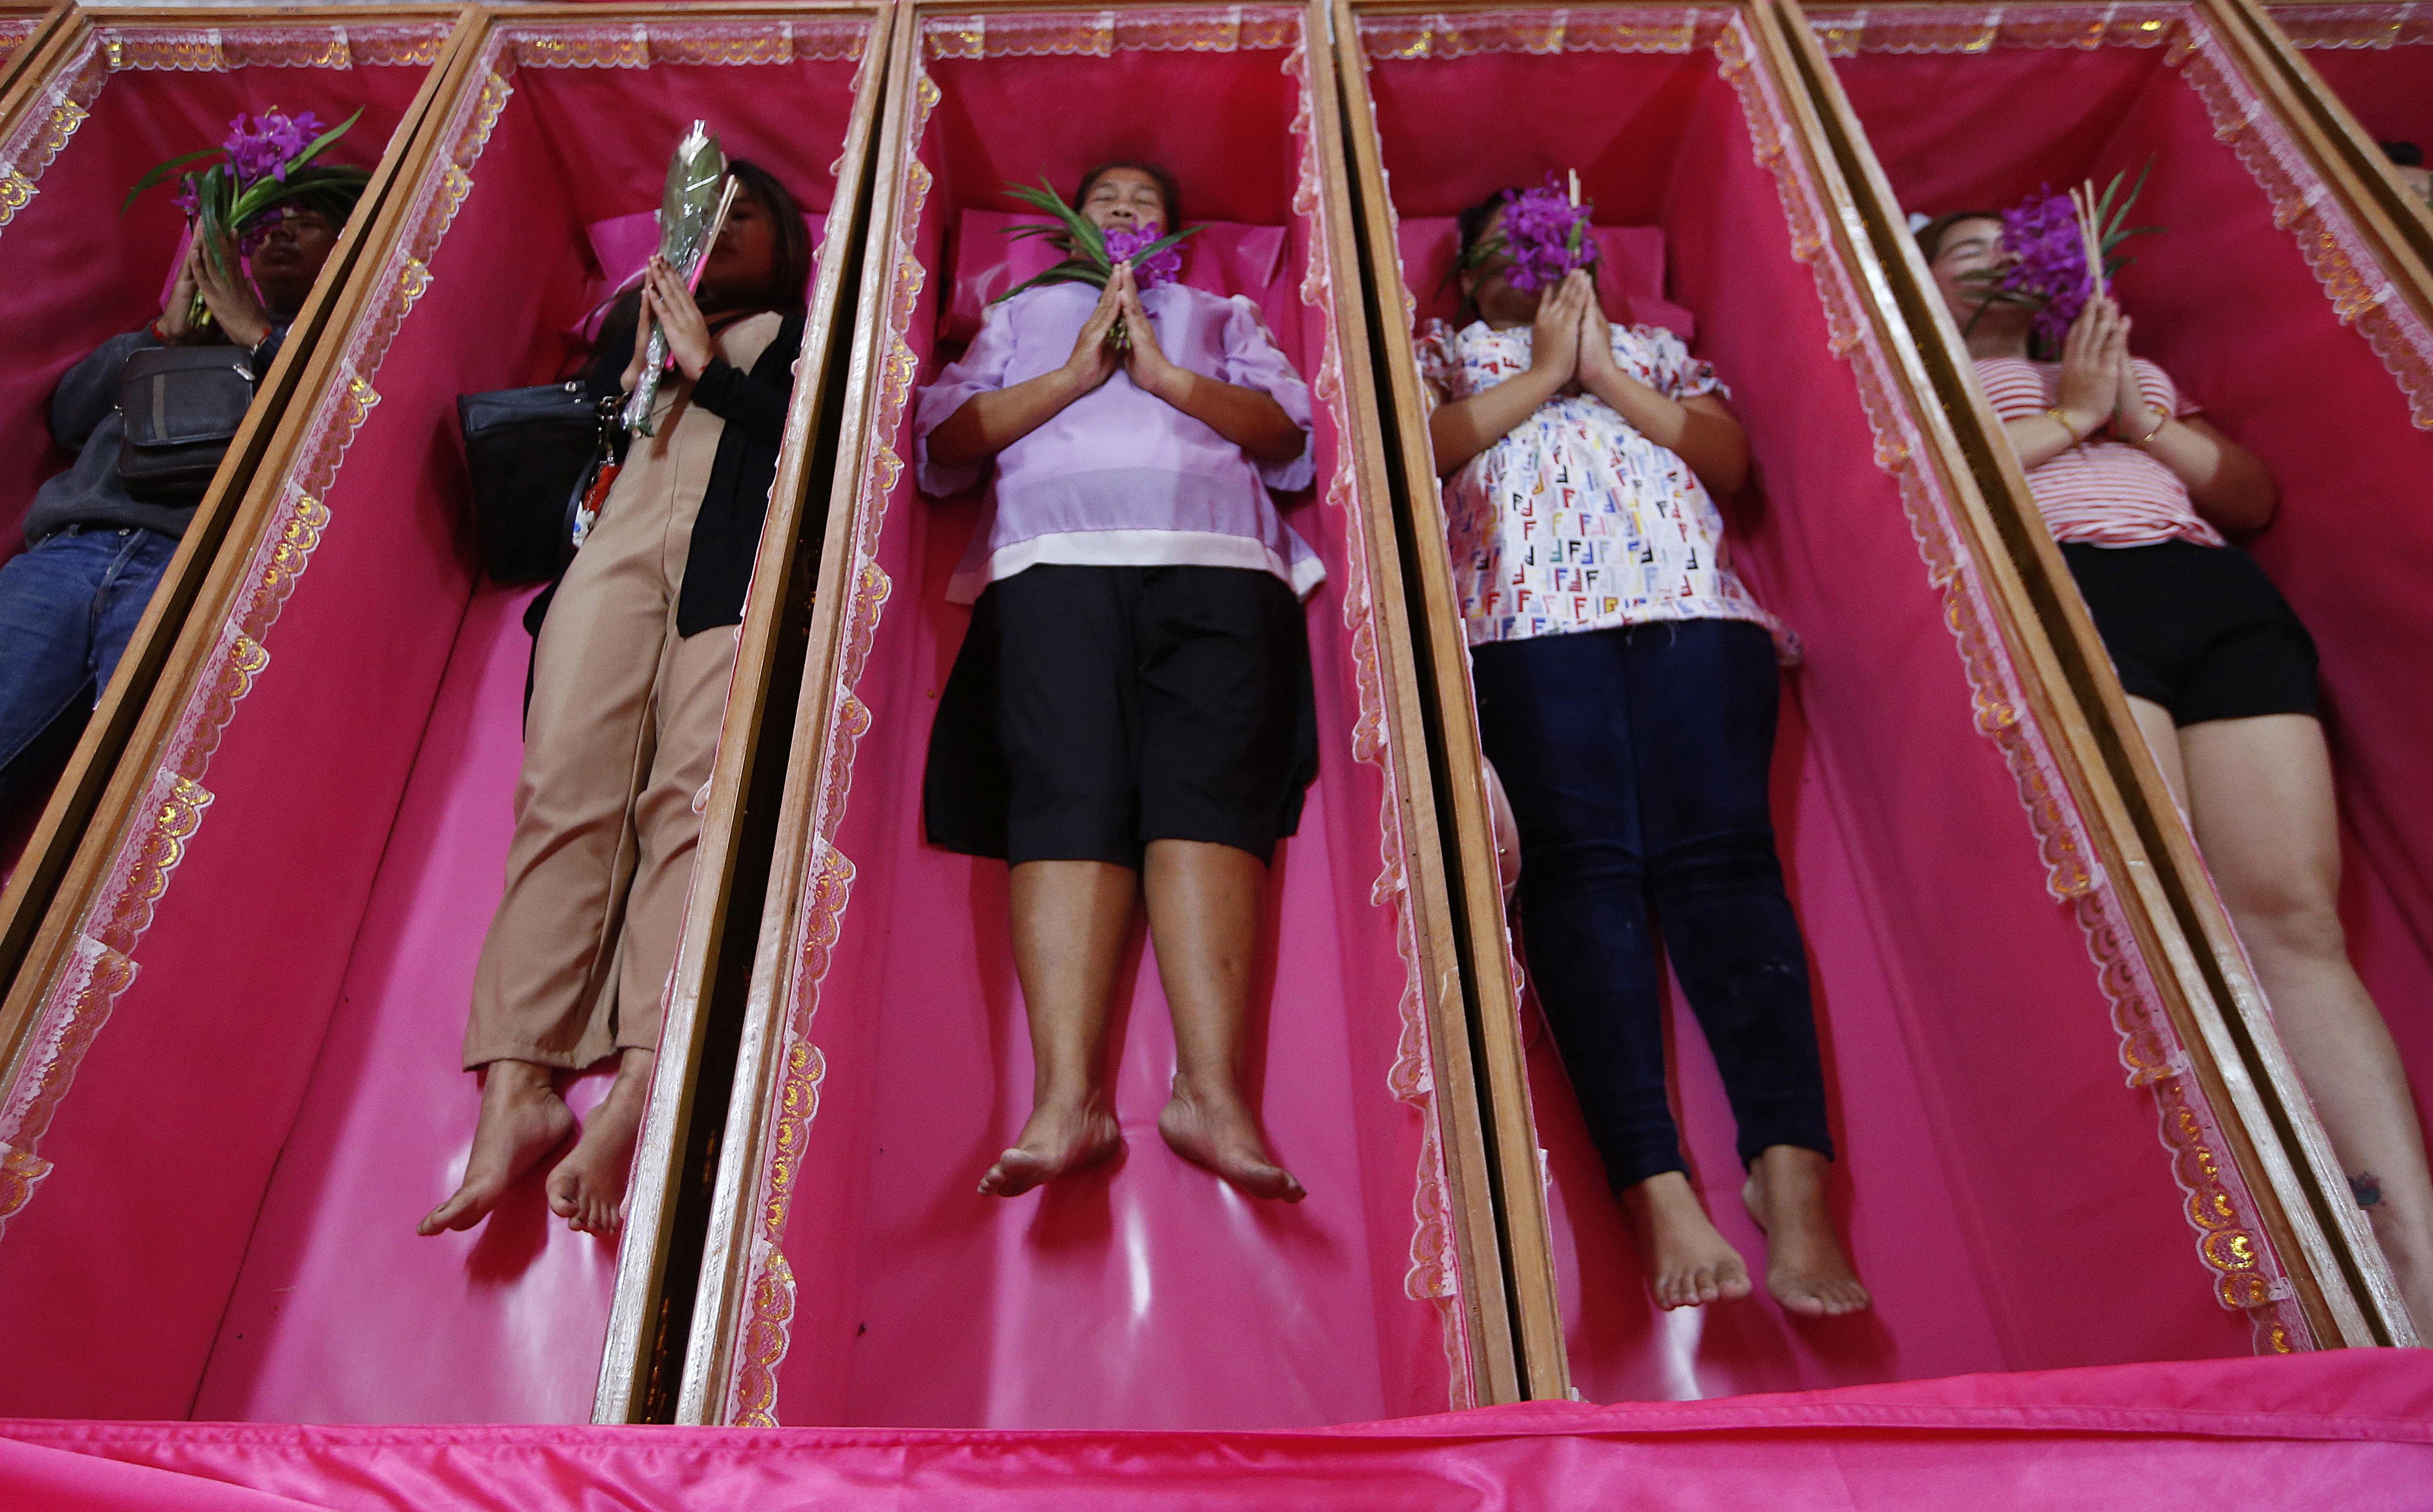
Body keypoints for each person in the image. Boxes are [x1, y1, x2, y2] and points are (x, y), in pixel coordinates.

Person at [1921, 210, 2433, 1333]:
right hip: (2071, 587)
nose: (2000, 256)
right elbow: (1940, 491)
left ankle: (2415, 1249)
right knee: (2172, 905)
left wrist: (2128, 412)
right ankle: (2287, 1250)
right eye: (1967, 248)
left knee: (2294, 917)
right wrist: (2067, 418)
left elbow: (2245, 498)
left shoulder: (2113, 360)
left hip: (2205, 585)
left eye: (2016, 240)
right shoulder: (1924, 372)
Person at [1419, 189, 1870, 1316]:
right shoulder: (1448, 350)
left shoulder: (1657, 350)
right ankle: (1654, 1182)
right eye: (1505, 253)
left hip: (1692, 618)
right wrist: (1541, 376)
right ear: (1473, 278)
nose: (1535, 266)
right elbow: (1417, 453)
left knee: (1730, 875)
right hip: (1524, 629)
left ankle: (1789, 1171)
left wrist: (1605, 372)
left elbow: (1726, 462)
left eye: (1561, 245)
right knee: (1578, 887)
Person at [420, 161, 813, 1239]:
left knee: (693, 799)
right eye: (709, 212)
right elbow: (584, 461)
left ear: (785, 245)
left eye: (749, 217)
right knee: (562, 789)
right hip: (615, 549)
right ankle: (520, 1081)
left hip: (734, 561)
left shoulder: (802, 329)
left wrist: (712, 369)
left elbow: (822, 454)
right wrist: (634, 370)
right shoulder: (624, 330)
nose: (726, 229)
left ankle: (646, 1073)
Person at [915, 161, 1318, 1202]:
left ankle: (1213, 1098)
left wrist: (1167, 378)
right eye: (1105, 197)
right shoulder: (1017, 317)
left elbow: (1291, 442)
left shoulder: (1219, 313)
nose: (1126, 208)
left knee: (1210, 801)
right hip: (1051, 566)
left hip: (1220, 565)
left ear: (1175, 233)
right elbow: (943, 446)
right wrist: (1077, 375)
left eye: (1146, 198)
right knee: (1066, 799)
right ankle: (1068, 1103)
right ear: (1067, 224)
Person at [0, 198, 353, 820]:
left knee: (138, 803)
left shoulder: (330, 360)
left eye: (309, 219)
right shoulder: (168, 335)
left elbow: (336, 444)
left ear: (344, 243)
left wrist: (262, 338)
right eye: (271, 219)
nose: (283, 230)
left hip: (191, 569)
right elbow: (68, 418)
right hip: (66, 550)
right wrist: (164, 334)